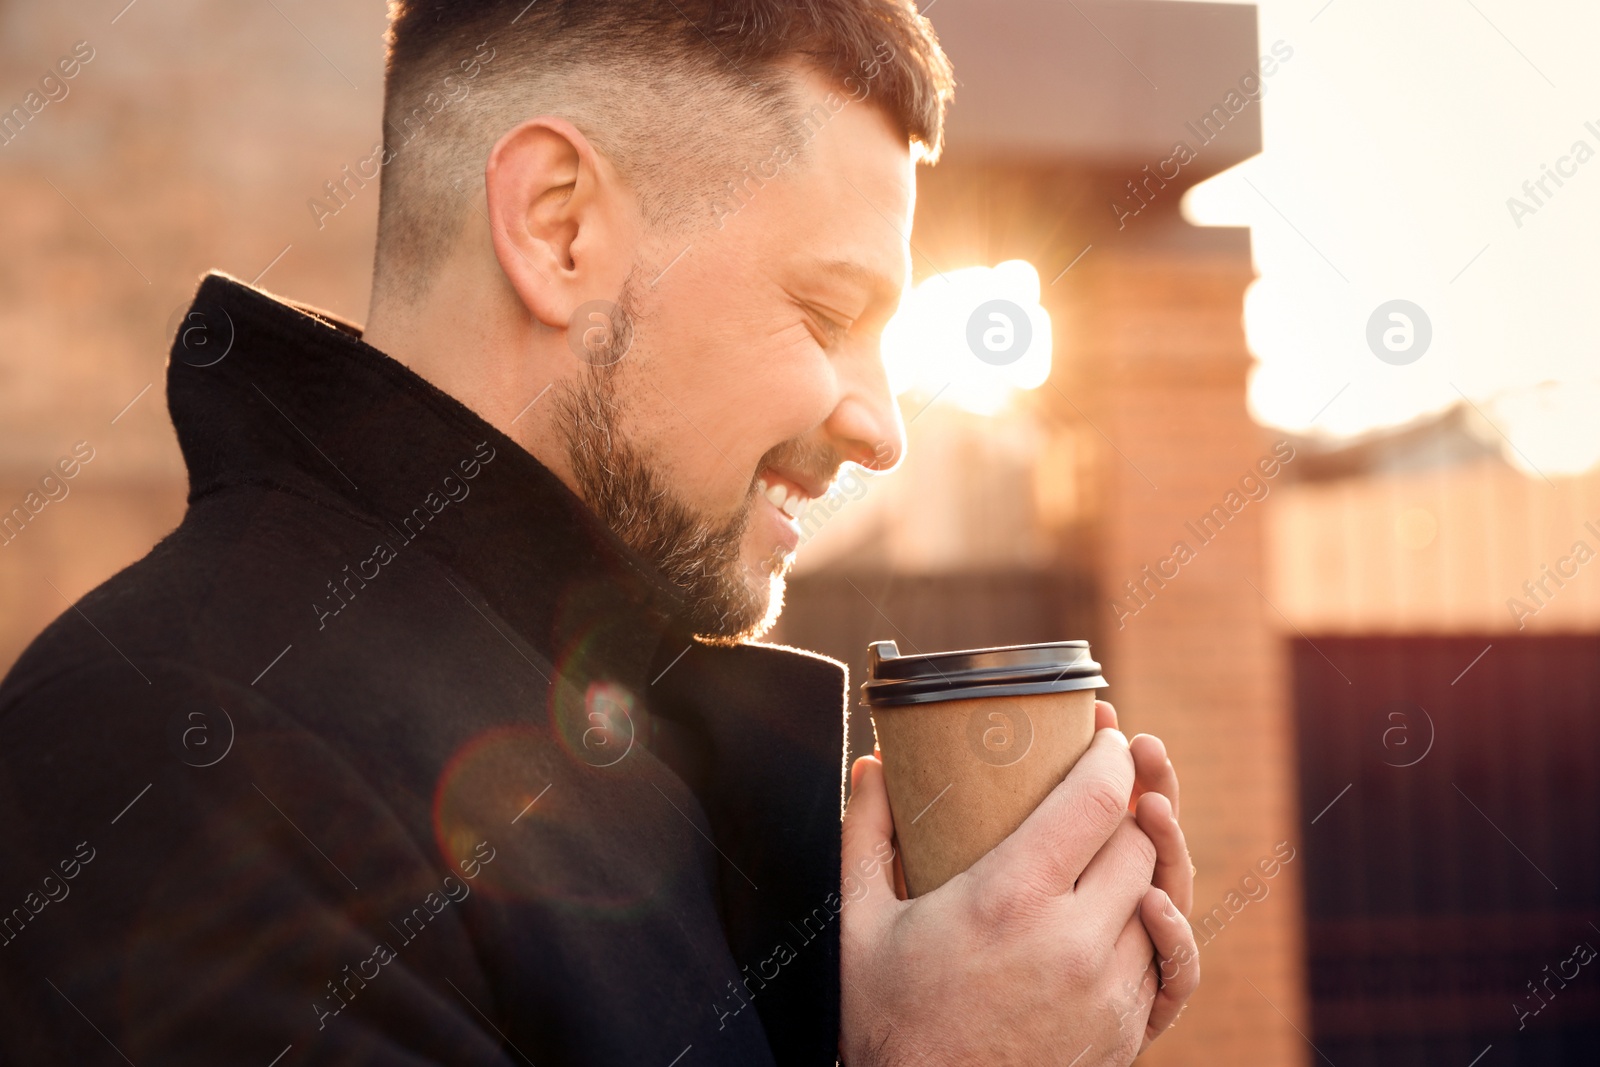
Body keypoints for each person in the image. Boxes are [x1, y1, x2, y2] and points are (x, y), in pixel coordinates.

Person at [0, 1, 1197, 1063]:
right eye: (829, 310)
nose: (882, 428)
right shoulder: (178, 755)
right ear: (559, 227)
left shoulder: (607, 744)